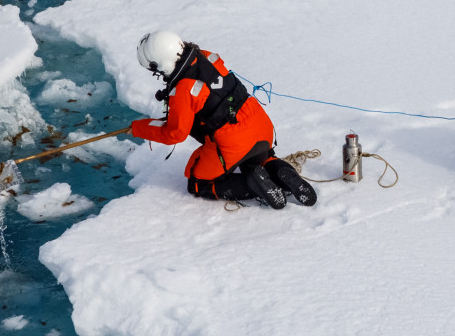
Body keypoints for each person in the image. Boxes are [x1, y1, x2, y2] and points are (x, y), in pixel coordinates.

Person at [129, 30, 316, 208]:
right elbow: (212, 95)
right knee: (260, 160)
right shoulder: (205, 56)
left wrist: (137, 128)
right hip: (261, 127)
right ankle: (283, 173)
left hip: (233, 142)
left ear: (159, 66)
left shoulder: (183, 91)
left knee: (197, 182)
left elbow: (175, 134)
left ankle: (250, 185)